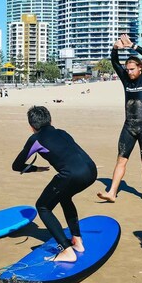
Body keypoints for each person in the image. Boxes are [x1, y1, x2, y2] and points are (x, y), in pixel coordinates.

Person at [12, 106, 97, 263]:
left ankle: (67, 251)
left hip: (72, 175)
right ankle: (77, 241)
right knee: (65, 197)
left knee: (43, 206)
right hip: (92, 171)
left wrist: (36, 169)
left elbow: (16, 165)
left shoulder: (35, 139)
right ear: (51, 120)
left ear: (31, 126)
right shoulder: (62, 133)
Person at [98, 34, 142, 203]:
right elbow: (115, 63)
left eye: (132, 69)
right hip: (128, 127)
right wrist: (115, 48)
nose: (129, 72)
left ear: (140, 68)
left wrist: (133, 46)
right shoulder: (126, 81)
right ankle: (112, 192)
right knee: (121, 160)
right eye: (127, 69)